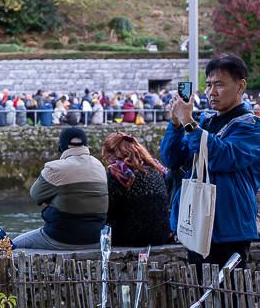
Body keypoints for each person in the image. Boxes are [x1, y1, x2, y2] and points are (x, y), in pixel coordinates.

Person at [162, 54, 260, 268]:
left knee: (229, 295)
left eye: (219, 85)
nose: (211, 92)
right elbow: (172, 159)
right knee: (200, 292)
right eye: (208, 85)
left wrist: (188, 122)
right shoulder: (206, 123)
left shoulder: (251, 126)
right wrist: (177, 124)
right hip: (196, 221)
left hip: (229, 227)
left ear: (241, 86)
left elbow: (221, 157)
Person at [13, 127, 108, 250]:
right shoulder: (98, 165)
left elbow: (35, 196)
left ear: (62, 145)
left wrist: (52, 200)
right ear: (85, 144)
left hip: (60, 239)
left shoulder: (55, 168)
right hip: (95, 239)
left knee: (15, 245)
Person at [101, 132, 171, 247]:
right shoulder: (154, 168)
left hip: (129, 236)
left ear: (113, 152)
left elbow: (108, 208)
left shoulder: (118, 172)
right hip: (161, 235)